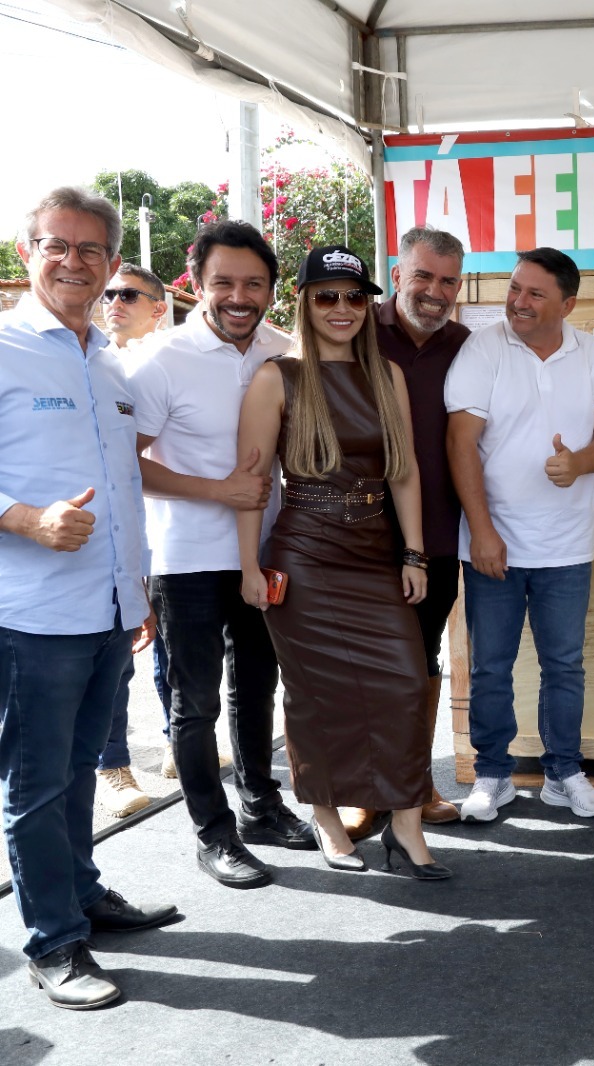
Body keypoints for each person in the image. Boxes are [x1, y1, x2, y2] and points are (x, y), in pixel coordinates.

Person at [1, 186, 176, 1010]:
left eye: (90, 251)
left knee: (80, 770)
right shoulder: (3, 346)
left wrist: (136, 594)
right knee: (37, 785)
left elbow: (123, 483)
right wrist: (25, 518)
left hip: (109, 611)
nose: (73, 261)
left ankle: (81, 897)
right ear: (26, 252)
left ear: (111, 264)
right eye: (55, 245)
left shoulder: (108, 361)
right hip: (31, 615)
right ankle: (53, 942)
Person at [236, 245, 448, 879]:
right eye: (326, 295)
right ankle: (328, 820)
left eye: (355, 296)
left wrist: (414, 553)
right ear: (303, 302)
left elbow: (404, 472)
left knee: (407, 684)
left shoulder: (389, 377)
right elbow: (252, 483)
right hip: (303, 558)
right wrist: (250, 567)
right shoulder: (278, 377)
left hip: (374, 554)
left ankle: (404, 822)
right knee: (317, 697)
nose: (342, 308)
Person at [130, 221, 313, 890]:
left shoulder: (282, 349)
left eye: (254, 284)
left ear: (271, 287)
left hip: (264, 551)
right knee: (195, 702)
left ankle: (262, 806)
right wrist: (217, 489)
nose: (240, 297)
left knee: (258, 687)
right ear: (196, 282)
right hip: (185, 558)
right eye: (224, 283)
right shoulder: (162, 359)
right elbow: (129, 460)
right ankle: (214, 834)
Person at [447, 247, 594, 823]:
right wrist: (482, 531)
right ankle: (493, 775)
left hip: (567, 544)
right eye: (515, 288)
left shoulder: (593, 353)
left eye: (534, 293)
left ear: (567, 304)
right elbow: (460, 443)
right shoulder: (483, 348)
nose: (517, 302)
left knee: (564, 664)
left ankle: (564, 772)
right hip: (493, 541)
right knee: (490, 665)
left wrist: (579, 462)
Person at [338, 226, 471, 839]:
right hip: (358, 534)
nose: (435, 290)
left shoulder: (469, 347)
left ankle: (414, 784)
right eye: (423, 275)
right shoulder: (354, 330)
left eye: (447, 279)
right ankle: (370, 791)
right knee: (364, 667)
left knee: (421, 662)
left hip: (438, 535)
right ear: (396, 274)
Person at [94, 263, 171, 819]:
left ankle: (176, 741)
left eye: (129, 295)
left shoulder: (171, 362)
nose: (114, 302)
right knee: (116, 658)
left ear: (158, 309)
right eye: (110, 294)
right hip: (108, 536)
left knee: (175, 647)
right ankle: (112, 765)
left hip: (164, 531)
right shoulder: (91, 361)